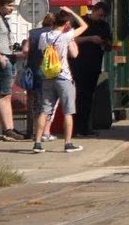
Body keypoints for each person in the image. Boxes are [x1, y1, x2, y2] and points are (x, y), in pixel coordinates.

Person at [33, 8, 90, 153]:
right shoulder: (66, 36)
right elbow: (84, 26)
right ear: (66, 24)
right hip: (63, 77)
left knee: (44, 111)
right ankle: (68, 143)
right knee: (68, 111)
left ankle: (38, 144)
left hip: (48, 77)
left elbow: (41, 50)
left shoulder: (44, 36)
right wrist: (72, 12)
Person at [69, 2, 111, 137]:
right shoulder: (81, 22)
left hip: (94, 65)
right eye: (100, 15)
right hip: (78, 64)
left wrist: (106, 43)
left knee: (88, 97)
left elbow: (109, 46)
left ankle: (84, 127)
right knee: (77, 96)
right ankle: (74, 127)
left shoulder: (104, 26)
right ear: (94, 11)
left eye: (104, 16)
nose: (101, 18)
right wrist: (90, 39)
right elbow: (72, 39)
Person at [22, 13, 57, 141]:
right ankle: (46, 132)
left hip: (35, 70)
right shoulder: (55, 33)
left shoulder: (33, 33)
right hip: (50, 71)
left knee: (36, 102)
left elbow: (25, 50)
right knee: (49, 101)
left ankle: (36, 132)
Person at [0, 0, 26, 141]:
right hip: (3, 58)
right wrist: (0, 58)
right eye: (9, 5)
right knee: (4, 94)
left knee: (7, 94)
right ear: (1, 5)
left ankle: (10, 127)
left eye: (13, 5)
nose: (12, 8)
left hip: (9, 57)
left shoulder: (4, 20)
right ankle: (8, 128)